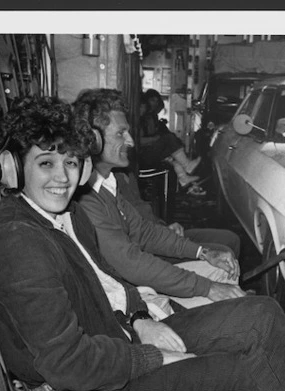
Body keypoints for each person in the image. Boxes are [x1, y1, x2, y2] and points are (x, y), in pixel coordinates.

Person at [0, 95, 285, 391]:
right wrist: (153, 357)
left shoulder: (66, 214)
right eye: (46, 163)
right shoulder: (19, 242)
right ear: (12, 169)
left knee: (264, 315)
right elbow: (68, 364)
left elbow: (112, 281)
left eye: (71, 163)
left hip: (119, 342)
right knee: (257, 378)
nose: (62, 178)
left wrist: (139, 318)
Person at [73, 88, 244, 309]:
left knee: (224, 268)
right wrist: (207, 288)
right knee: (250, 310)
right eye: (120, 134)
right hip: (130, 302)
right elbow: (132, 264)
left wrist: (204, 253)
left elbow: (145, 232)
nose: (131, 142)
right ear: (92, 139)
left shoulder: (108, 184)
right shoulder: (87, 199)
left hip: (139, 284)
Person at [114, 168, 241, 260]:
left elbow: (143, 213)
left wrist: (164, 226)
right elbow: (135, 236)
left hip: (159, 233)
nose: (129, 141)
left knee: (231, 239)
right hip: (149, 249)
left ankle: (235, 288)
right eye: (121, 133)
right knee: (224, 252)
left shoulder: (126, 173)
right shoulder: (106, 188)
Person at [139, 88, 205, 195]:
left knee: (173, 154)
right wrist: (155, 139)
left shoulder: (150, 116)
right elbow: (139, 141)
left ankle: (183, 178)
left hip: (147, 152)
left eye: (156, 101)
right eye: (152, 101)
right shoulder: (138, 119)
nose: (154, 104)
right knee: (168, 138)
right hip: (142, 156)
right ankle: (187, 165)